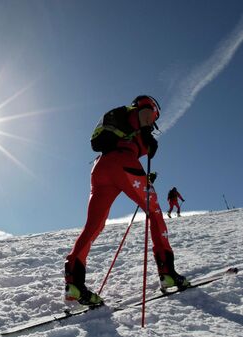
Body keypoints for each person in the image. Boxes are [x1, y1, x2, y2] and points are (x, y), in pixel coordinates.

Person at [64, 95, 189, 306]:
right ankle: (167, 272)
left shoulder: (122, 124)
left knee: (94, 225)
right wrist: (147, 137)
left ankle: (74, 283)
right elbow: (136, 140)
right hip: (123, 164)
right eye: (150, 115)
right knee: (156, 212)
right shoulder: (138, 116)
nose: (150, 119)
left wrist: (143, 174)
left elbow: (126, 146)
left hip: (101, 169)